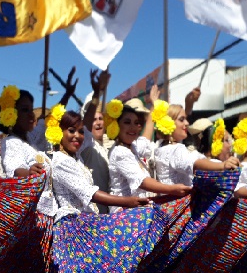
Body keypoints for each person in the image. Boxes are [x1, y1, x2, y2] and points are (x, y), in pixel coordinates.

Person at [107, 101, 191, 213]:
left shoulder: (133, 147)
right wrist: (173, 189)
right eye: (127, 122)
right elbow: (143, 182)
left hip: (139, 210)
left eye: (136, 123)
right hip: (125, 214)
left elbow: (146, 138)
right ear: (116, 126)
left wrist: (154, 104)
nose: (133, 127)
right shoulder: (120, 152)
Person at [153, 101, 239, 187]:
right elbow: (195, 163)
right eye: (181, 119)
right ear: (169, 123)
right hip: (181, 199)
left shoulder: (161, 146)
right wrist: (222, 165)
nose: (187, 123)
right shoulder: (174, 149)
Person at [79, 69, 112, 213]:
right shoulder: (86, 145)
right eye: (93, 119)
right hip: (92, 213)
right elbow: (85, 128)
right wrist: (97, 93)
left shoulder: (106, 147)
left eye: (100, 119)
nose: (98, 123)